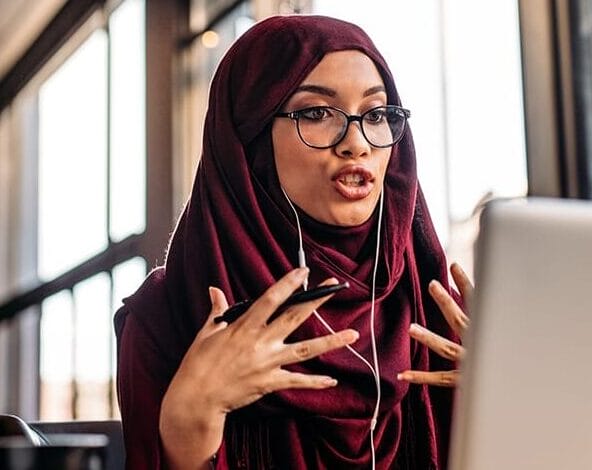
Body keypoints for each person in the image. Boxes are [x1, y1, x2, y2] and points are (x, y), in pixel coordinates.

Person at [114, 14, 471, 470]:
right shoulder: (169, 314)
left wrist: (513, 408)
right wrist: (189, 423)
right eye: (317, 113)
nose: (357, 143)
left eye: (377, 114)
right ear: (250, 141)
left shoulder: (439, 314)